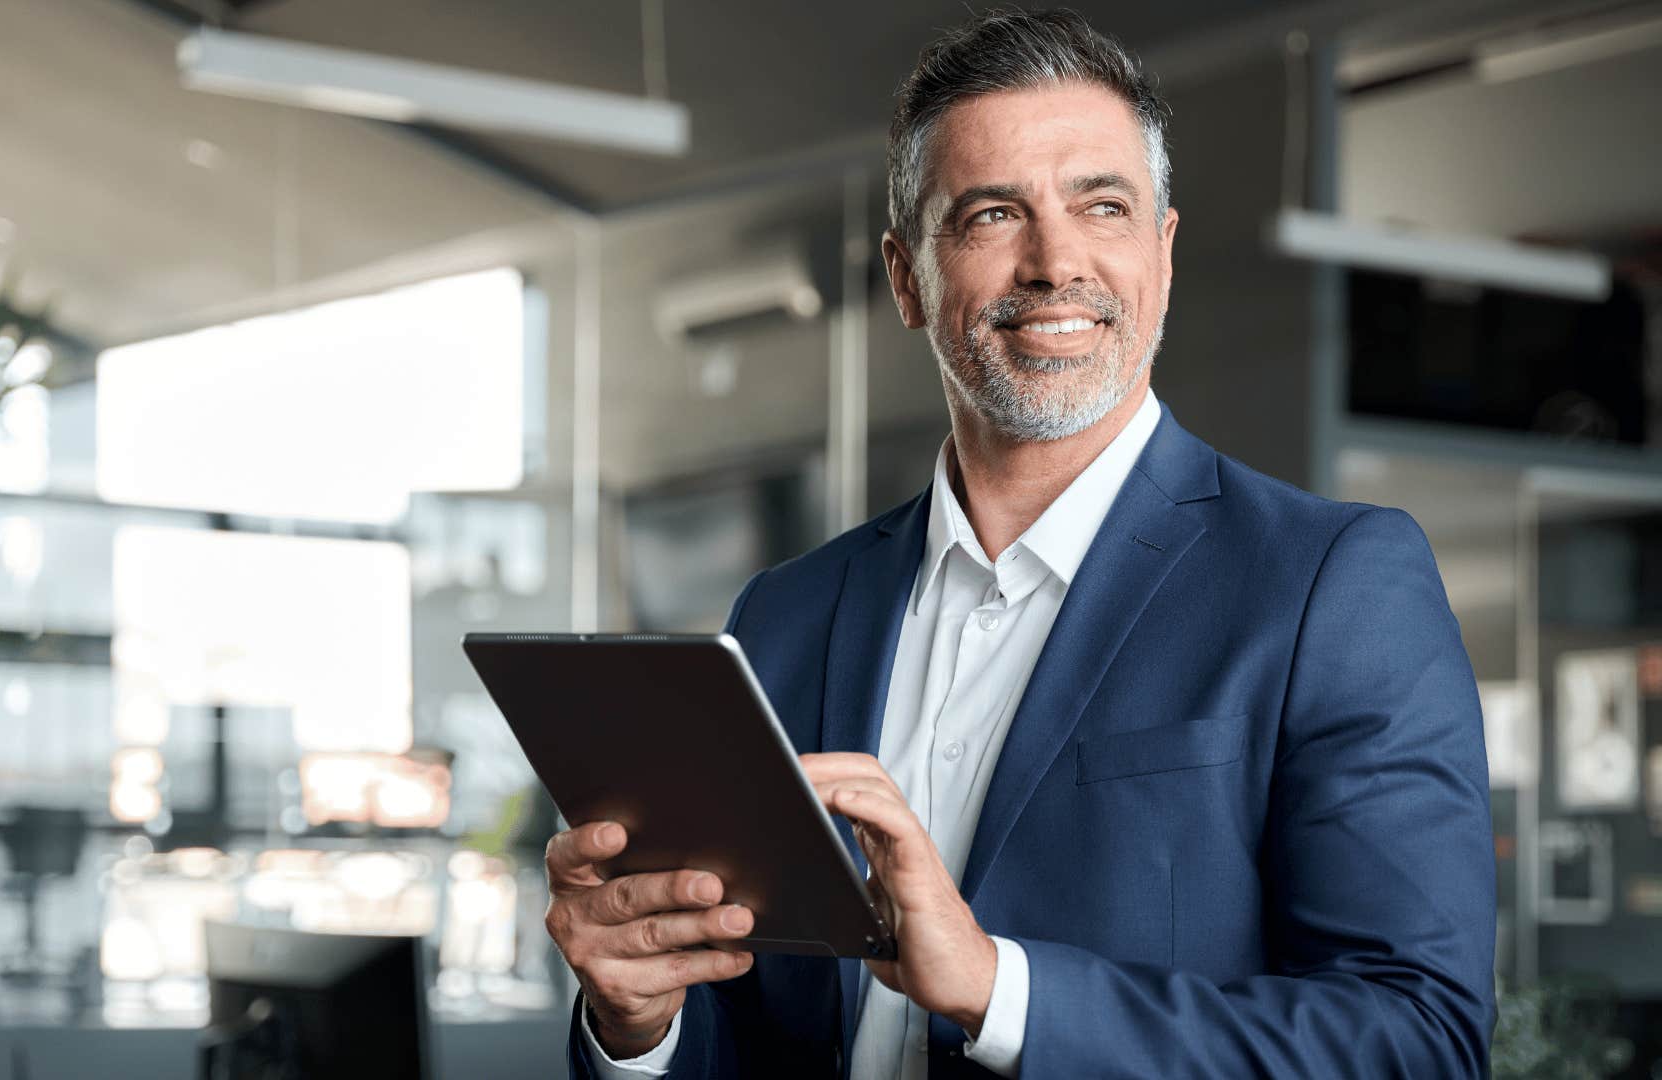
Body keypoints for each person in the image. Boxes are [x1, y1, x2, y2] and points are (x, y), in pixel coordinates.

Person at [543, 7, 1496, 1077]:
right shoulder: (786, 616)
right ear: (909, 279)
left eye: (1103, 205)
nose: (1056, 262)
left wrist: (1002, 992)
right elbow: (748, 1023)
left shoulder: (1332, 584)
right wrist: (640, 1025)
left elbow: (1417, 1041)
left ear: (1163, 253)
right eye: (994, 213)